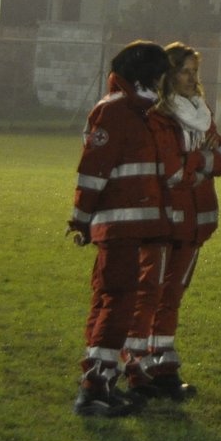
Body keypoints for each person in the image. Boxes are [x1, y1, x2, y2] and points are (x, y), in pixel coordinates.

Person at [67, 40, 174, 418]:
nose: (162, 85)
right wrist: (81, 218)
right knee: (116, 301)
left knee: (111, 300)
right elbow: (92, 171)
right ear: (144, 76)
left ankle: (101, 383)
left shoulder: (133, 110)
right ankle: (94, 388)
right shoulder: (115, 112)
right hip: (119, 227)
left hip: (127, 226)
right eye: (159, 77)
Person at [123, 42, 221, 401]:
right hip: (163, 218)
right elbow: (171, 172)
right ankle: (136, 368)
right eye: (185, 71)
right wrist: (203, 161)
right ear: (168, 75)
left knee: (172, 295)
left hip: (195, 218)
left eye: (195, 72)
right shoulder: (158, 116)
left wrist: (200, 161)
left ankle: (163, 367)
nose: (192, 78)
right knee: (149, 294)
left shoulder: (200, 111)